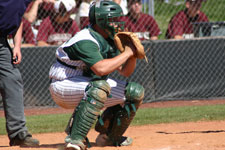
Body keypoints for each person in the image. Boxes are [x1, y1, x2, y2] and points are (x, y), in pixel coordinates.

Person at [48, 1, 144, 150]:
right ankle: (75, 140)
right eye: (112, 19)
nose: (117, 23)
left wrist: (132, 56)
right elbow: (100, 69)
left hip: (86, 83)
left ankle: (109, 137)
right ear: (100, 21)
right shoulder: (85, 40)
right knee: (99, 88)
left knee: (135, 92)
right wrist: (127, 53)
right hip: (63, 84)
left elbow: (125, 72)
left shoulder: (110, 38)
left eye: (118, 19)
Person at [0, 0, 39, 147]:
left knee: (12, 80)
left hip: (2, 43)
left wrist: (17, 46)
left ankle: (18, 133)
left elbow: (18, 18)